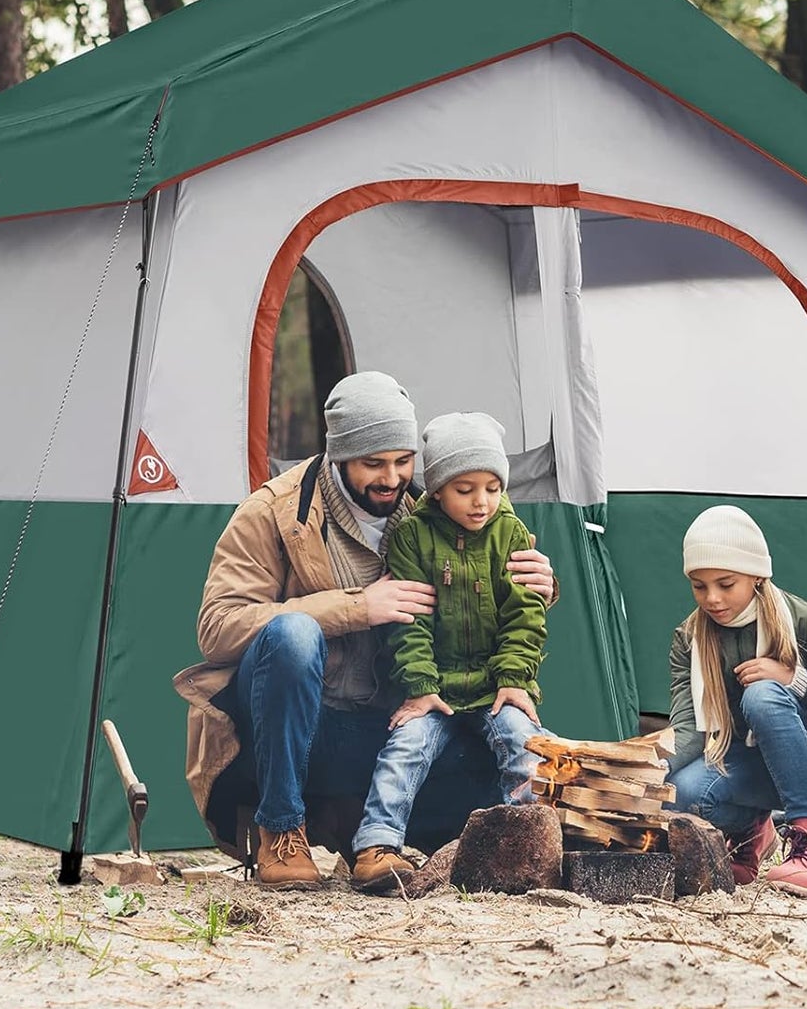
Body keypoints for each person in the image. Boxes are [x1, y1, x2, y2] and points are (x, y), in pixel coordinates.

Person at [173, 372, 556, 890]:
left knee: (488, 743)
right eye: (373, 463)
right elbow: (217, 628)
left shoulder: (439, 510)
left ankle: (368, 836)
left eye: (403, 461)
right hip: (290, 732)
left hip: (383, 727)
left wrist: (541, 585)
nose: (392, 478)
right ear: (338, 455)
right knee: (293, 636)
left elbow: (493, 599)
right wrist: (357, 607)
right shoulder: (272, 512)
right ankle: (282, 829)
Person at [350, 412, 548, 894]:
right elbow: (409, 624)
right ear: (436, 489)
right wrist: (420, 688)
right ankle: (378, 844)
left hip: (492, 687)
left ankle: (534, 844)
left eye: (492, 488)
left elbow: (526, 615)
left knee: (526, 744)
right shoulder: (413, 537)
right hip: (435, 689)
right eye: (465, 489)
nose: (481, 502)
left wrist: (514, 679)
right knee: (405, 746)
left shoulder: (511, 535)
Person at [667, 506, 807, 895]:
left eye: (725, 583)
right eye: (699, 586)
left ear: (756, 575)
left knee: (763, 695)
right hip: (745, 761)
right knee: (685, 793)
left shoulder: (802, 622)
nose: (712, 598)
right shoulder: (689, 638)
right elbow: (687, 729)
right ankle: (751, 832)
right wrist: (636, 766)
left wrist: (793, 679)